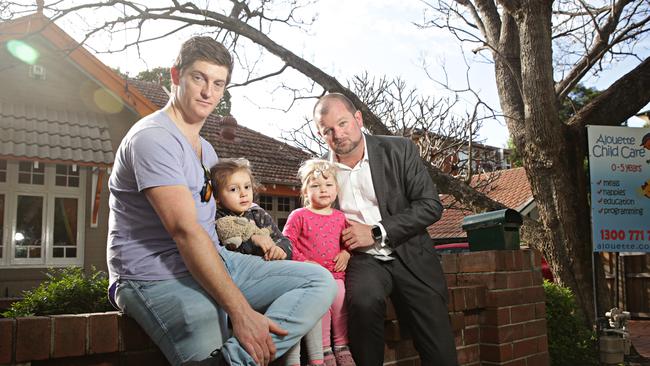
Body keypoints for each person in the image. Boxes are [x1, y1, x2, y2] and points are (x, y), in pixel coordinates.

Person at [106, 36, 337, 366]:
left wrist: (257, 237)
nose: (207, 92)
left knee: (318, 280)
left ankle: (231, 361)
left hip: (214, 257)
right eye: (198, 78)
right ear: (175, 75)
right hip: (152, 275)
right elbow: (185, 232)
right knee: (208, 316)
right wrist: (241, 312)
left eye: (218, 83)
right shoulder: (152, 139)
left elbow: (215, 219)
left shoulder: (207, 150)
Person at [312, 93, 458, 366]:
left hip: (411, 253)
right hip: (362, 261)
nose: (338, 134)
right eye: (328, 130)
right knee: (363, 304)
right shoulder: (321, 172)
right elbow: (314, 221)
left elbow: (430, 206)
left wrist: (377, 231)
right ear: (320, 134)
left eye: (343, 123)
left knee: (441, 355)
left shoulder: (400, 149)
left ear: (358, 118)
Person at [283, 159, 355, 366]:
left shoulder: (340, 217)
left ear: (336, 189)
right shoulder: (299, 216)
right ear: (305, 192)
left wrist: (346, 253)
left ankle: (342, 345)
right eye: (315, 186)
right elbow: (287, 243)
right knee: (321, 309)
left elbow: (350, 241)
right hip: (313, 279)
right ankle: (323, 351)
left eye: (328, 185)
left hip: (336, 274)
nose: (323, 190)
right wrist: (305, 262)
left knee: (341, 304)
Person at [211, 158, 291, 261]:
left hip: (268, 266)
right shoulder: (218, 218)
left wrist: (281, 249)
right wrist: (251, 240)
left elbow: (284, 241)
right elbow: (227, 248)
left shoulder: (258, 214)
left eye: (247, 187)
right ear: (217, 196)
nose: (243, 194)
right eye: (233, 189)